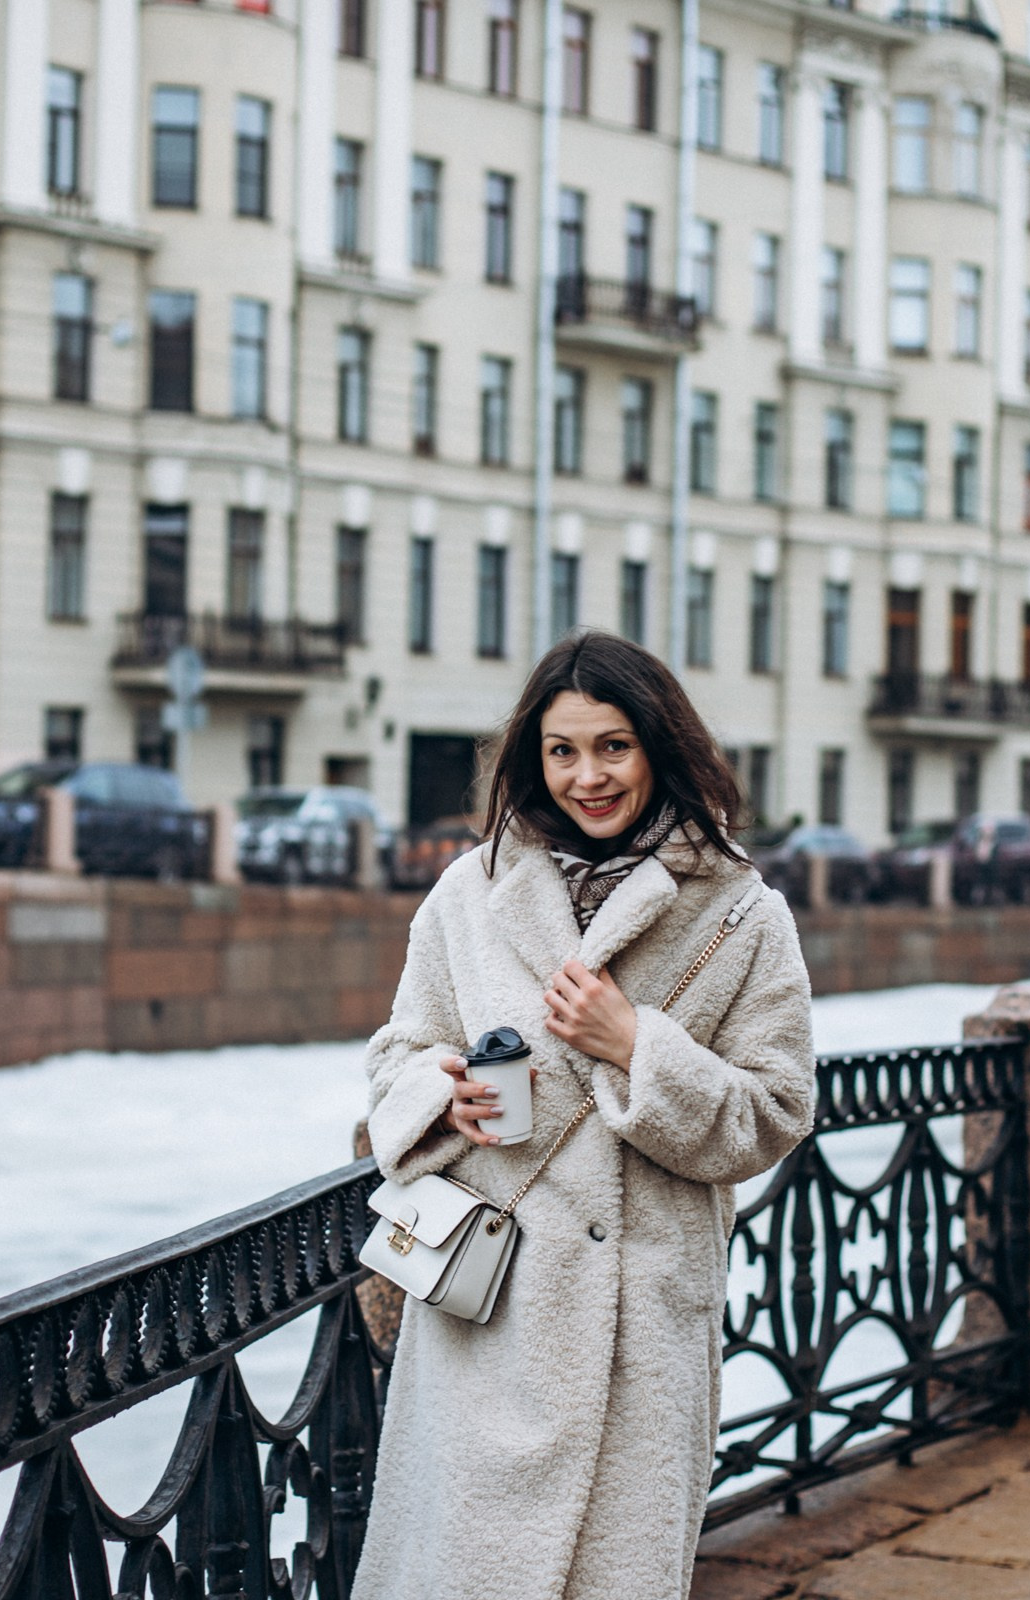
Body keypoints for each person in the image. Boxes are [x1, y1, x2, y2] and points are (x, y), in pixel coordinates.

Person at [354, 631, 816, 1600]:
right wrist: (447, 1090)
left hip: (638, 1325)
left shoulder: (739, 912)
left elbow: (776, 1111)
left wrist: (635, 1045)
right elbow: (396, 1054)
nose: (587, 775)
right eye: (563, 749)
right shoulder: (471, 892)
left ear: (659, 745)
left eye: (613, 746)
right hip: (491, 1307)